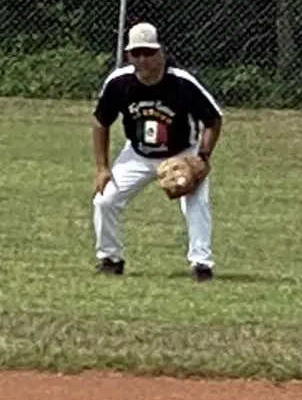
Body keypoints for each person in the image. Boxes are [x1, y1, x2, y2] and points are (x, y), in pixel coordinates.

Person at [91, 22, 222, 280]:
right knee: (104, 200)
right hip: (137, 154)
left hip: (182, 153)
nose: (143, 59)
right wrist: (102, 168)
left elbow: (213, 119)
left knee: (196, 204)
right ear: (128, 55)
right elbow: (100, 122)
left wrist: (202, 157)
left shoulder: (182, 83)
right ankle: (110, 258)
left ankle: (201, 264)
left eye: (149, 52)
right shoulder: (119, 83)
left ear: (161, 51)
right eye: (136, 53)